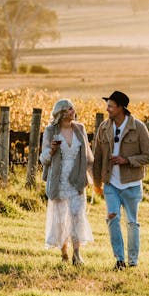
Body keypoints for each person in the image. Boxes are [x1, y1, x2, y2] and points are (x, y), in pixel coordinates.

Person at [92, 91, 149, 270]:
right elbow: (97, 157)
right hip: (110, 183)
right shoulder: (103, 127)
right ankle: (119, 260)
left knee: (132, 222)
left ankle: (133, 261)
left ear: (121, 108)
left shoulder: (139, 127)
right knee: (112, 218)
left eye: (111, 105)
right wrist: (97, 183)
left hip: (132, 185)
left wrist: (127, 160)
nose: (107, 109)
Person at [39, 98, 94, 265]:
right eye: (69, 109)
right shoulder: (50, 130)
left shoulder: (80, 129)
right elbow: (43, 158)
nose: (73, 111)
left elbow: (88, 155)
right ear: (62, 112)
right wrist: (53, 150)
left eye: (73, 109)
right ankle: (64, 253)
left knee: (77, 216)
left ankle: (77, 254)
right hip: (59, 179)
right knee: (61, 218)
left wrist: (94, 177)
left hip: (77, 178)